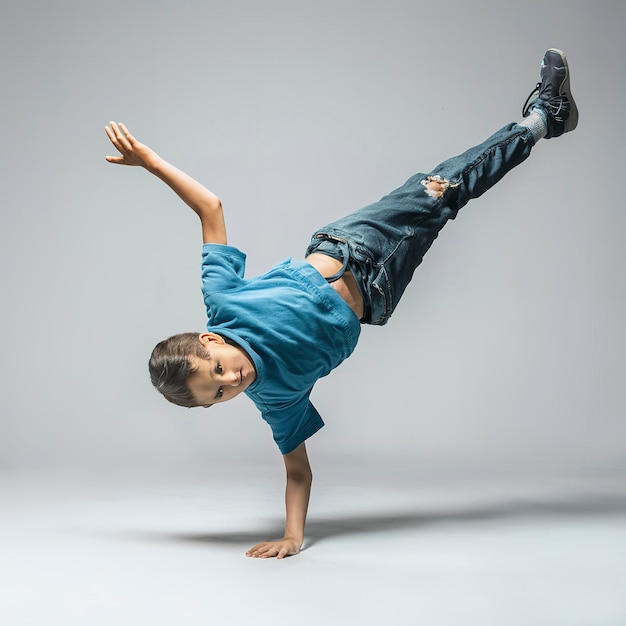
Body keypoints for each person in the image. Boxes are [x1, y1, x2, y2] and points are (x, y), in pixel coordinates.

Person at [105, 49, 578, 559]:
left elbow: (210, 206)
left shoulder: (223, 301)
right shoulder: (277, 398)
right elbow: (297, 471)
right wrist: (293, 536)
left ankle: (542, 119)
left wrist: (150, 162)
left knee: (445, 186)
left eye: (217, 369)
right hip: (380, 288)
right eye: (218, 394)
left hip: (347, 243)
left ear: (211, 340)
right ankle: (543, 120)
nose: (231, 381)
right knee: (450, 202)